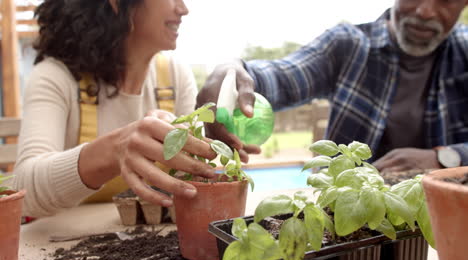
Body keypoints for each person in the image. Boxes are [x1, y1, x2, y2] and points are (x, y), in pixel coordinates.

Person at [197, 0, 468, 173]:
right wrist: (231, 70)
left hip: (436, 225)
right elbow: (279, 77)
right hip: (345, 225)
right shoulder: (349, 46)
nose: (425, 10)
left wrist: (446, 158)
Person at [11, 0, 218, 217]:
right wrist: (114, 150)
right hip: (66, 242)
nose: (183, 9)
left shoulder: (175, 75)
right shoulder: (55, 76)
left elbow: (193, 180)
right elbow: (24, 190)